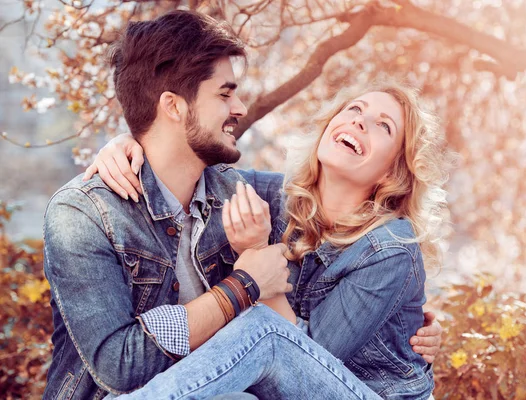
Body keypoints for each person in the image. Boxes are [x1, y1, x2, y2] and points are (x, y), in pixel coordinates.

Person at [43, 9, 441, 400]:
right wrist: (124, 142)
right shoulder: (87, 214)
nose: (239, 109)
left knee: (263, 338)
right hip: (157, 386)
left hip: (344, 387)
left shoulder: (382, 246)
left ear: (394, 170)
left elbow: (306, 359)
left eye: (383, 126)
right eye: (225, 93)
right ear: (174, 106)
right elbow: (120, 365)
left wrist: (254, 265)